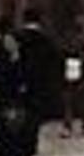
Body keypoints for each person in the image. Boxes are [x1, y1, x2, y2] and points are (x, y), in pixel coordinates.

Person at [16, 9, 64, 147]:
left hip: (21, 80)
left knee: (23, 111)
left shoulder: (17, 37)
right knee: (36, 113)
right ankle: (32, 139)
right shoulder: (46, 39)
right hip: (41, 81)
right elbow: (55, 59)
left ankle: (22, 139)